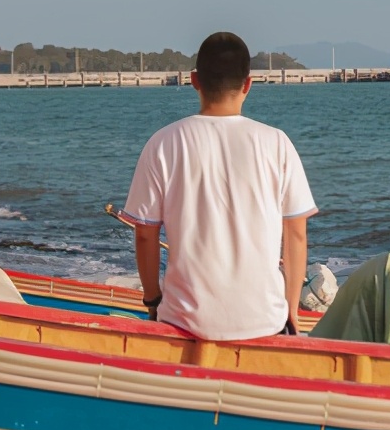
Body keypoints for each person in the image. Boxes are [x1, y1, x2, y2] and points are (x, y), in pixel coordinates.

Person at [122, 32, 317, 341]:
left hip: (184, 322)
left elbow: (145, 235)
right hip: (264, 321)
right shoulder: (277, 143)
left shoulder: (162, 143)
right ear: (248, 84)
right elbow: (296, 233)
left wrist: (153, 300)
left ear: (194, 80)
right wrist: (291, 309)